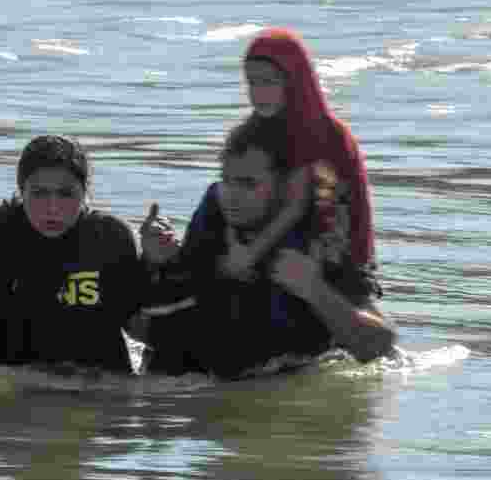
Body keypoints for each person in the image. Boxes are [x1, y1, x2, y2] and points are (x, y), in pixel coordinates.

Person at [138, 119, 396, 379]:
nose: (232, 195)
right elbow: (144, 328)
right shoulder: (214, 219)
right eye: (227, 181)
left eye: (249, 184)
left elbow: (381, 346)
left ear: (285, 189)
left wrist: (314, 289)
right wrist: (159, 264)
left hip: (291, 383)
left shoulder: (317, 236)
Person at [0, 135, 149, 374]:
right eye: (39, 193)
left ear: (85, 193)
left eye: (66, 194)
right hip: (6, 380)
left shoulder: (111, 237)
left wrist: (160, 264)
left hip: (94, 382)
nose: (52, 208)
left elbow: (138, 325)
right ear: (21, 191)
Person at [217, 27, 377, 284]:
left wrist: (249, 255)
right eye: (252, 83)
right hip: (276, 226)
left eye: (269, 82)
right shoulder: (256, 128)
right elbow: (230, 181)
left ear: (293, 80)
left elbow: (297, 205)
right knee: (215, 196)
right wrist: (232, 240)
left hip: (328, 240)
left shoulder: (318, 131)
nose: (259, 93)